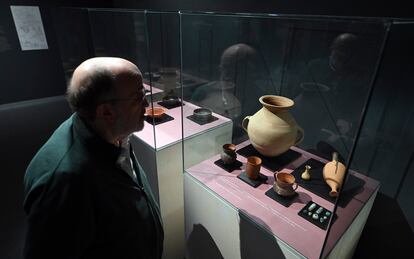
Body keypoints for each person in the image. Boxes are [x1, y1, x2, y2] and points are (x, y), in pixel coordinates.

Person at [23, 57, 164, 259]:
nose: (146, 103)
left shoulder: (112, 135)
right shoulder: (65, 181)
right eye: (137, 97)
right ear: (106, 111)